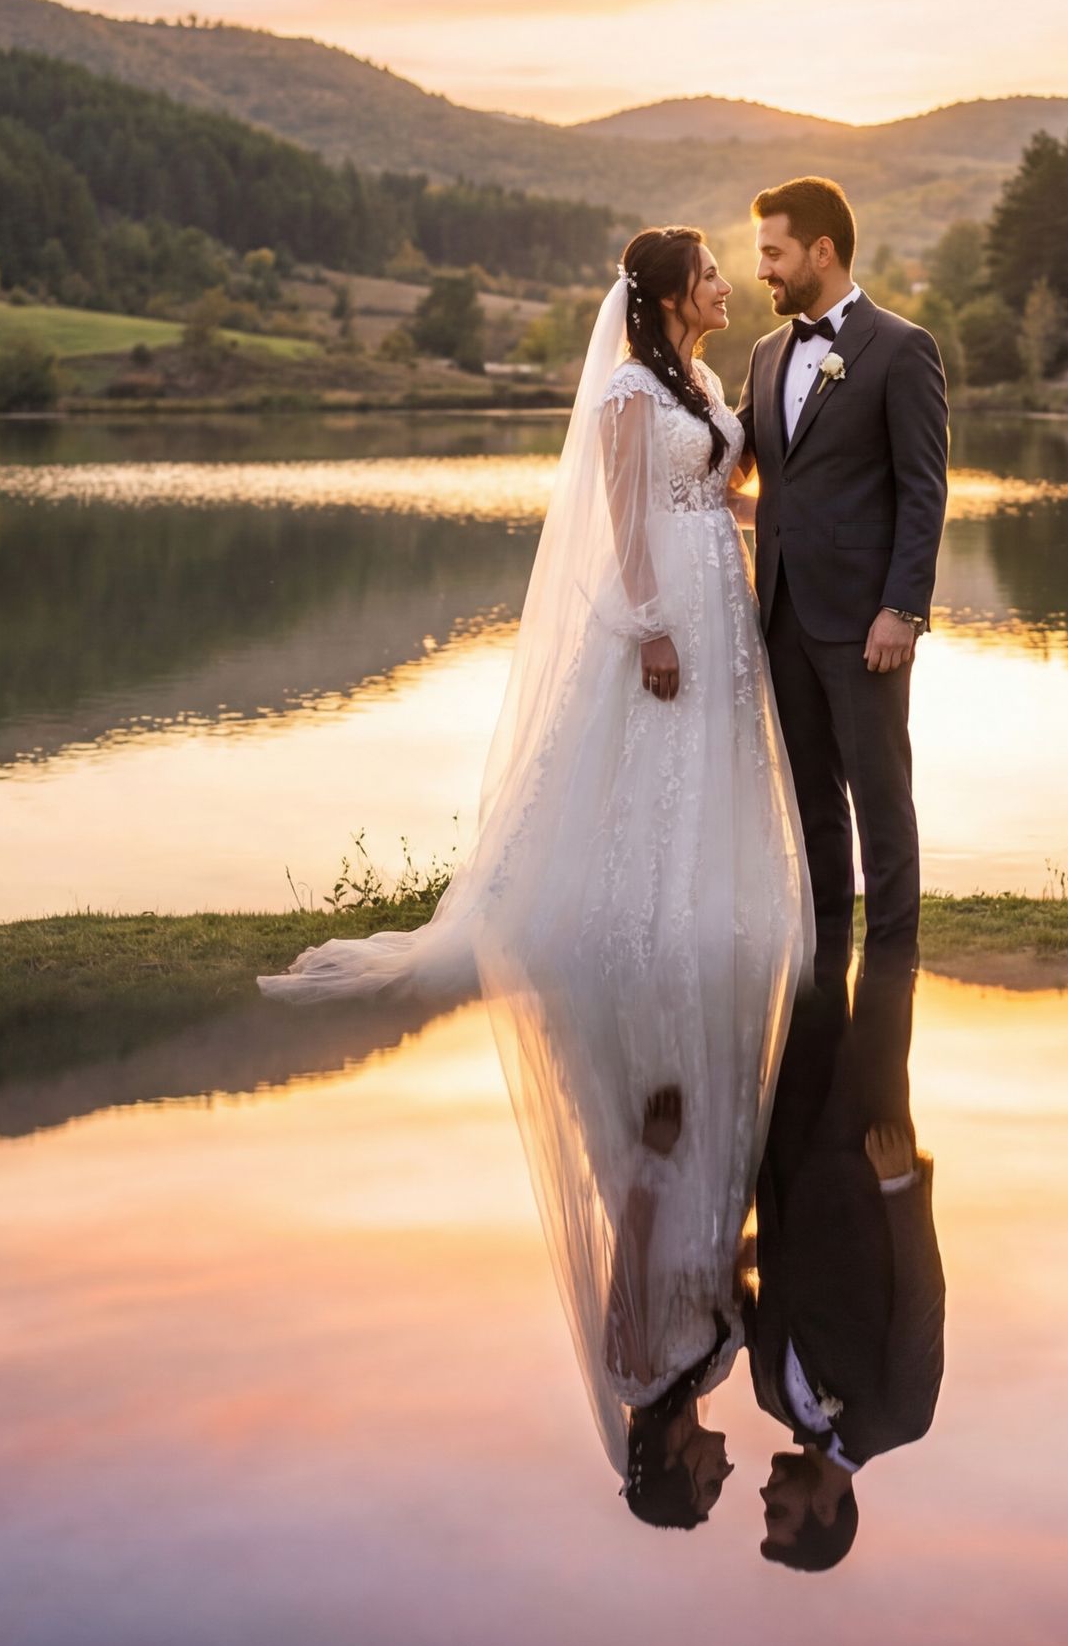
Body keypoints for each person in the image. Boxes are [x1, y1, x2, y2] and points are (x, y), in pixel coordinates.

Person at [259, 227, 810, 1519]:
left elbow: (712, 490)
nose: (728, 287)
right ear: (677, 294)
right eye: (715, 275)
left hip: (711, 600)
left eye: (707, 1474)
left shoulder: (695, 386)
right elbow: (621, 518)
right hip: (666, 609)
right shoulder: (627, 389)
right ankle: (639, 933)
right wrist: (652, 621)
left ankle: (692, 924)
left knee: (704, 795)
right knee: (645, 794)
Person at [737, 175, 950, 970]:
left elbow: (924, 491)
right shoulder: (763, 355)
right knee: (812, 804)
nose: (762, 269)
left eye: (773, 251)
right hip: (781, 616)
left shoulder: (901, 348)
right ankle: (828, 957)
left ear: (820, 251)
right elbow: (751, 471)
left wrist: (904, 608)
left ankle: (894, 963)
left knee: (880, 799)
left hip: (865, 623)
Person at [748, 953, 943, 1572]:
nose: (764, 1495)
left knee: (816, 971)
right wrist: (900, 1188)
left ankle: (815, 852)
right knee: (888, 972)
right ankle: (892, 851)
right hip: (865, 1159)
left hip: (790, 1147)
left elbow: (757, 1297)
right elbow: (921, 1301)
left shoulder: (768, 1398)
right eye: (778, 1512)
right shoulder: (900, 1418)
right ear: (825, 1513)